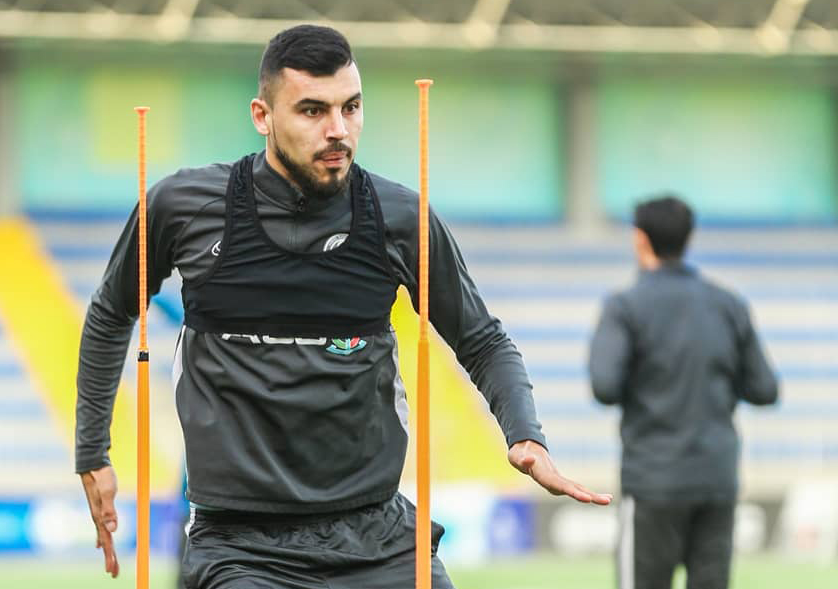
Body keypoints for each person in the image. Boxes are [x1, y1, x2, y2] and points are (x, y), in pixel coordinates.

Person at [77, 24, 611, 588]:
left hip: (377, 536)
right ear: (262, 116)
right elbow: (111, 311)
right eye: (312, 110)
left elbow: (482, 339)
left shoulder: (400, 217)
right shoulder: (183, 206)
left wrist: (524, 433)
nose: (338, 129)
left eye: (350, 107)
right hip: (241, 546)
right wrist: (93, 453)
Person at [588, 195, 779, 589]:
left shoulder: (626, 306)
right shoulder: (728, 305)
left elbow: (604, 386)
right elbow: (764, 389)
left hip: (652, 479)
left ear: (640, 239)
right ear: (688, 239)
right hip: (716, 479)